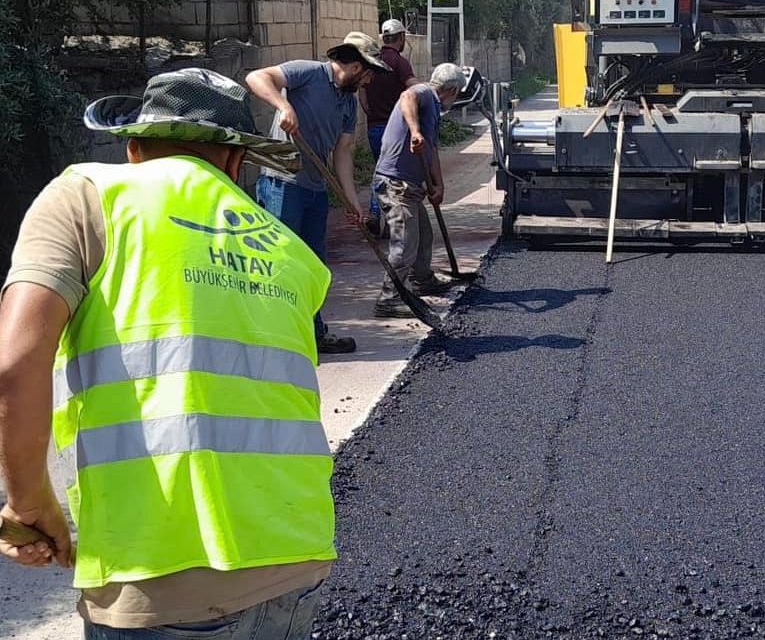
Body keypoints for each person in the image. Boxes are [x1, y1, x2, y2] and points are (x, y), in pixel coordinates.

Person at [0, 68, 337, 639]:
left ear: (133, 147)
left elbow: (15, 364)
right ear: (236, 162)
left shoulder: (88, 196)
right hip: (296, 558)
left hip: (158, 573)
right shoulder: (293, 253)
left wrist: (29, 503)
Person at [246, 31, 391, 353]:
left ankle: (313, 332)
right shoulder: (307, 72)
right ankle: (274, 339)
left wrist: (353, 203)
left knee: (313, 266)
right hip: (283, 184)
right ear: (356, 67)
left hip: (315, 189)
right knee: (280, 264)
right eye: (369, 74)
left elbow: (343, 152)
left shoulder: (348, 103)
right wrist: (283, 106)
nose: (369, 82)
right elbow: (256, 77)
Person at [372, 63, 467, 319]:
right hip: (395, 183)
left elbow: (431, 150)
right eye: (457, 94)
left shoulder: (434, 110)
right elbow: (407, 96)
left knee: (423, 235)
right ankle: (389, 299)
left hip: (411, 185)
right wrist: (414, 131)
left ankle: (422, 279)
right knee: (405, 244)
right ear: (452, 90)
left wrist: (438, 185)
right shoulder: (424, 93)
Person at [360, 18, 419, 237]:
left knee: (379, 171)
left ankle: (376, 214)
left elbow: (363, 94)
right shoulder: (400, 63)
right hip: (395, 131)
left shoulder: (371, 61)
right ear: (401, 37)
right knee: (394, 177)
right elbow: (412, 87)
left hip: (374, 127)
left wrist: (370, 113)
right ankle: (390, 219)